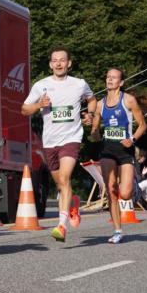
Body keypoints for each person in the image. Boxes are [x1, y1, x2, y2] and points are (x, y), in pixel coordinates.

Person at [20, 47, 96, 242]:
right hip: (50, 141)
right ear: (50, 64)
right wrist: (39, 105)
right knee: (61, 184)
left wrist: (90, 114)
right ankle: (73, 203)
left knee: (64, 177)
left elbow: (92, 99)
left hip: (71, 138)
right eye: (55, 60)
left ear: (69, 63)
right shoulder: (41, 85)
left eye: (62, 60)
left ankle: (61, 225)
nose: (59, 63)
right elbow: (24, 109)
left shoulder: (79, 84)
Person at [90, 68, 146, 244]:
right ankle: (117, 231)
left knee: (125, 194)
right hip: (107, 150)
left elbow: (142, 125)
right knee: (111, 190)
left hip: (125, 151)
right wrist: (94, 132)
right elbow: (95, 133)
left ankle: (134, 186)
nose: (110, 80)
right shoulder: (100, 104)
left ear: (121, 82)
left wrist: (132, 139)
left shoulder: (128, 100)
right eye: (108, 77)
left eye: (114, 78)